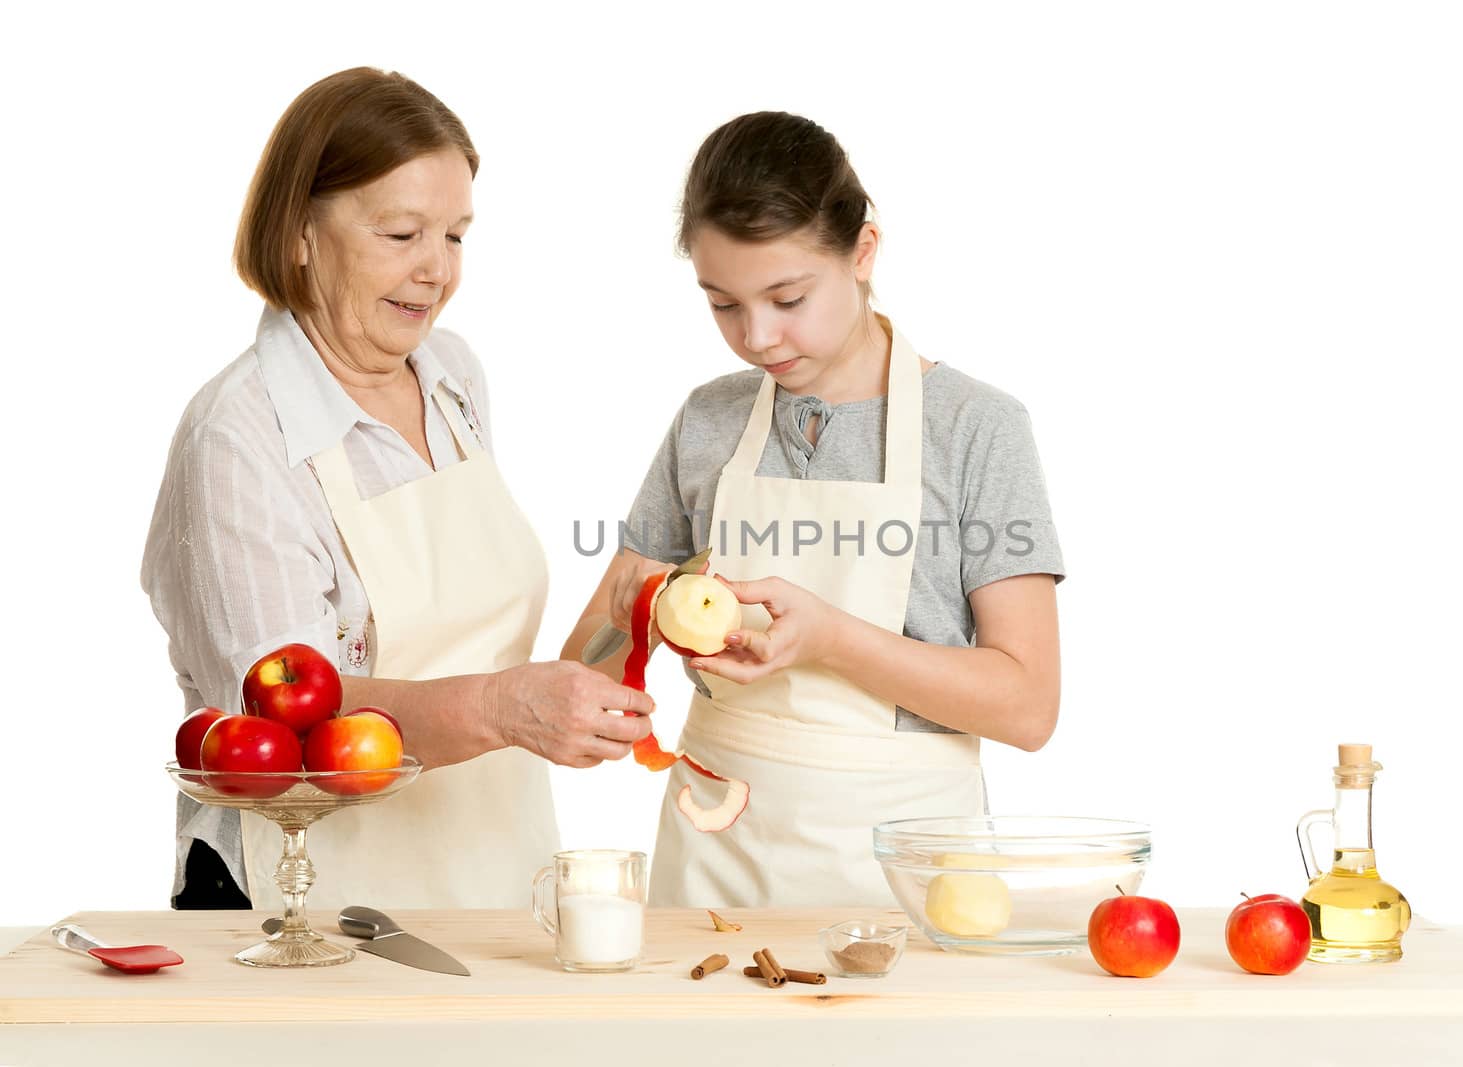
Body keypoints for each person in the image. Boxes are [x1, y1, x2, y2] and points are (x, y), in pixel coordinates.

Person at [143, 68, 653, 911]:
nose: (437, 271)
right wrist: (503, 706)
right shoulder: (237, 438)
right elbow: (285, 727)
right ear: (301, 232)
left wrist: (627, 621)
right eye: (402, 233)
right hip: (305, 893)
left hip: (488, 862)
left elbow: (483, 646)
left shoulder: (451, 377)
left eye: (455, 235)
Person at [562, 112, 1064, 907]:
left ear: (863, 252)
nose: (758, 336)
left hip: (906, 866)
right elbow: (584, 672)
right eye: (723, 303)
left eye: (787, 297)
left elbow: (1029, 705)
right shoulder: (709, 420)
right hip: (714, 857)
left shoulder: (975, 428)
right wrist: (624, 630)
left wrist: (830, 638)